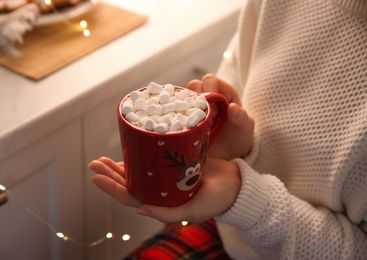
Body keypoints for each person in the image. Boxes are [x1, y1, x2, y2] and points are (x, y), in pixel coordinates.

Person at [89, 0, 367, 258]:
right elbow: (237, 73)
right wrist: (237, 149)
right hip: (225, 219)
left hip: (255, 218)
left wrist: (247, 200)